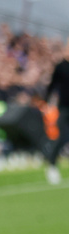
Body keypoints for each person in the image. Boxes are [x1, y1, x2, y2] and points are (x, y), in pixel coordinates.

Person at [43, 38, 69, 185]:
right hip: (65, 107)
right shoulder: (61, 67)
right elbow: (52, 86)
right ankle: (52, 164)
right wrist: (46, 101)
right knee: (62, 136)